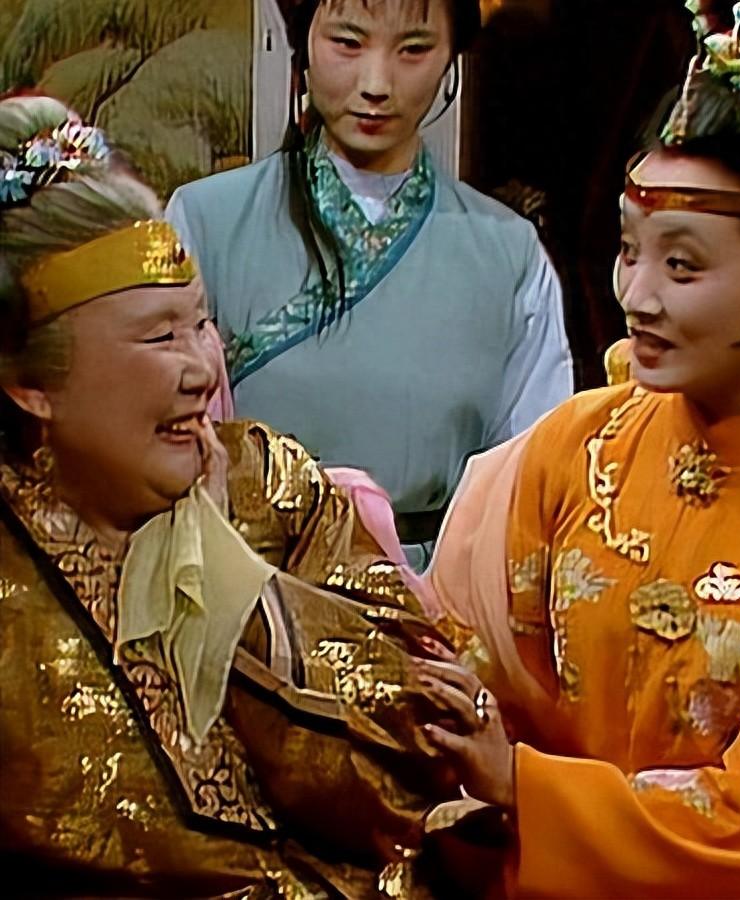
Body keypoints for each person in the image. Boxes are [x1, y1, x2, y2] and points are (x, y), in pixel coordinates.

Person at [411, 3, 740, 896]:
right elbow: (452, 665)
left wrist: (523, 786)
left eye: (683, 266)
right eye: (630, 251)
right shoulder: (571, 450)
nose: (638, 295)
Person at [0, 95, 457, 898]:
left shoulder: (269, 483)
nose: (203, 371)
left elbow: (425, 754)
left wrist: (232, 581)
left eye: (202, 324)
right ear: (31, 384)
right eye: (159, 336)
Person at [166, 0, 574, 568]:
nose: (376, 84)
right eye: (348, 43)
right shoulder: (206, 220)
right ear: (304, 45)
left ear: (452, 58)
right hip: (247, 588)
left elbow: (533, 475)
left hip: (436, 592)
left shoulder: (507, 252)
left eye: (413, 49)